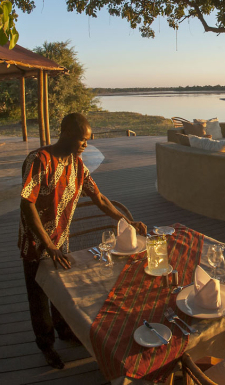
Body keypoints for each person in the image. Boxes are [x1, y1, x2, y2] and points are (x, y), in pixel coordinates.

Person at [18, 113, 147, 369]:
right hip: (37, 242)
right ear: (65, 133)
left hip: (61, 239)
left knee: (61, 291)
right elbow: (27, 204)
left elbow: (99, 199)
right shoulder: (38, 160)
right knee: (39, 296)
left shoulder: (76, 165)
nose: (85, 144)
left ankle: (64, 331)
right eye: (81, 139)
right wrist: (49, 246)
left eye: (87, 140)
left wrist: (127, 222)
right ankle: (46, 346)